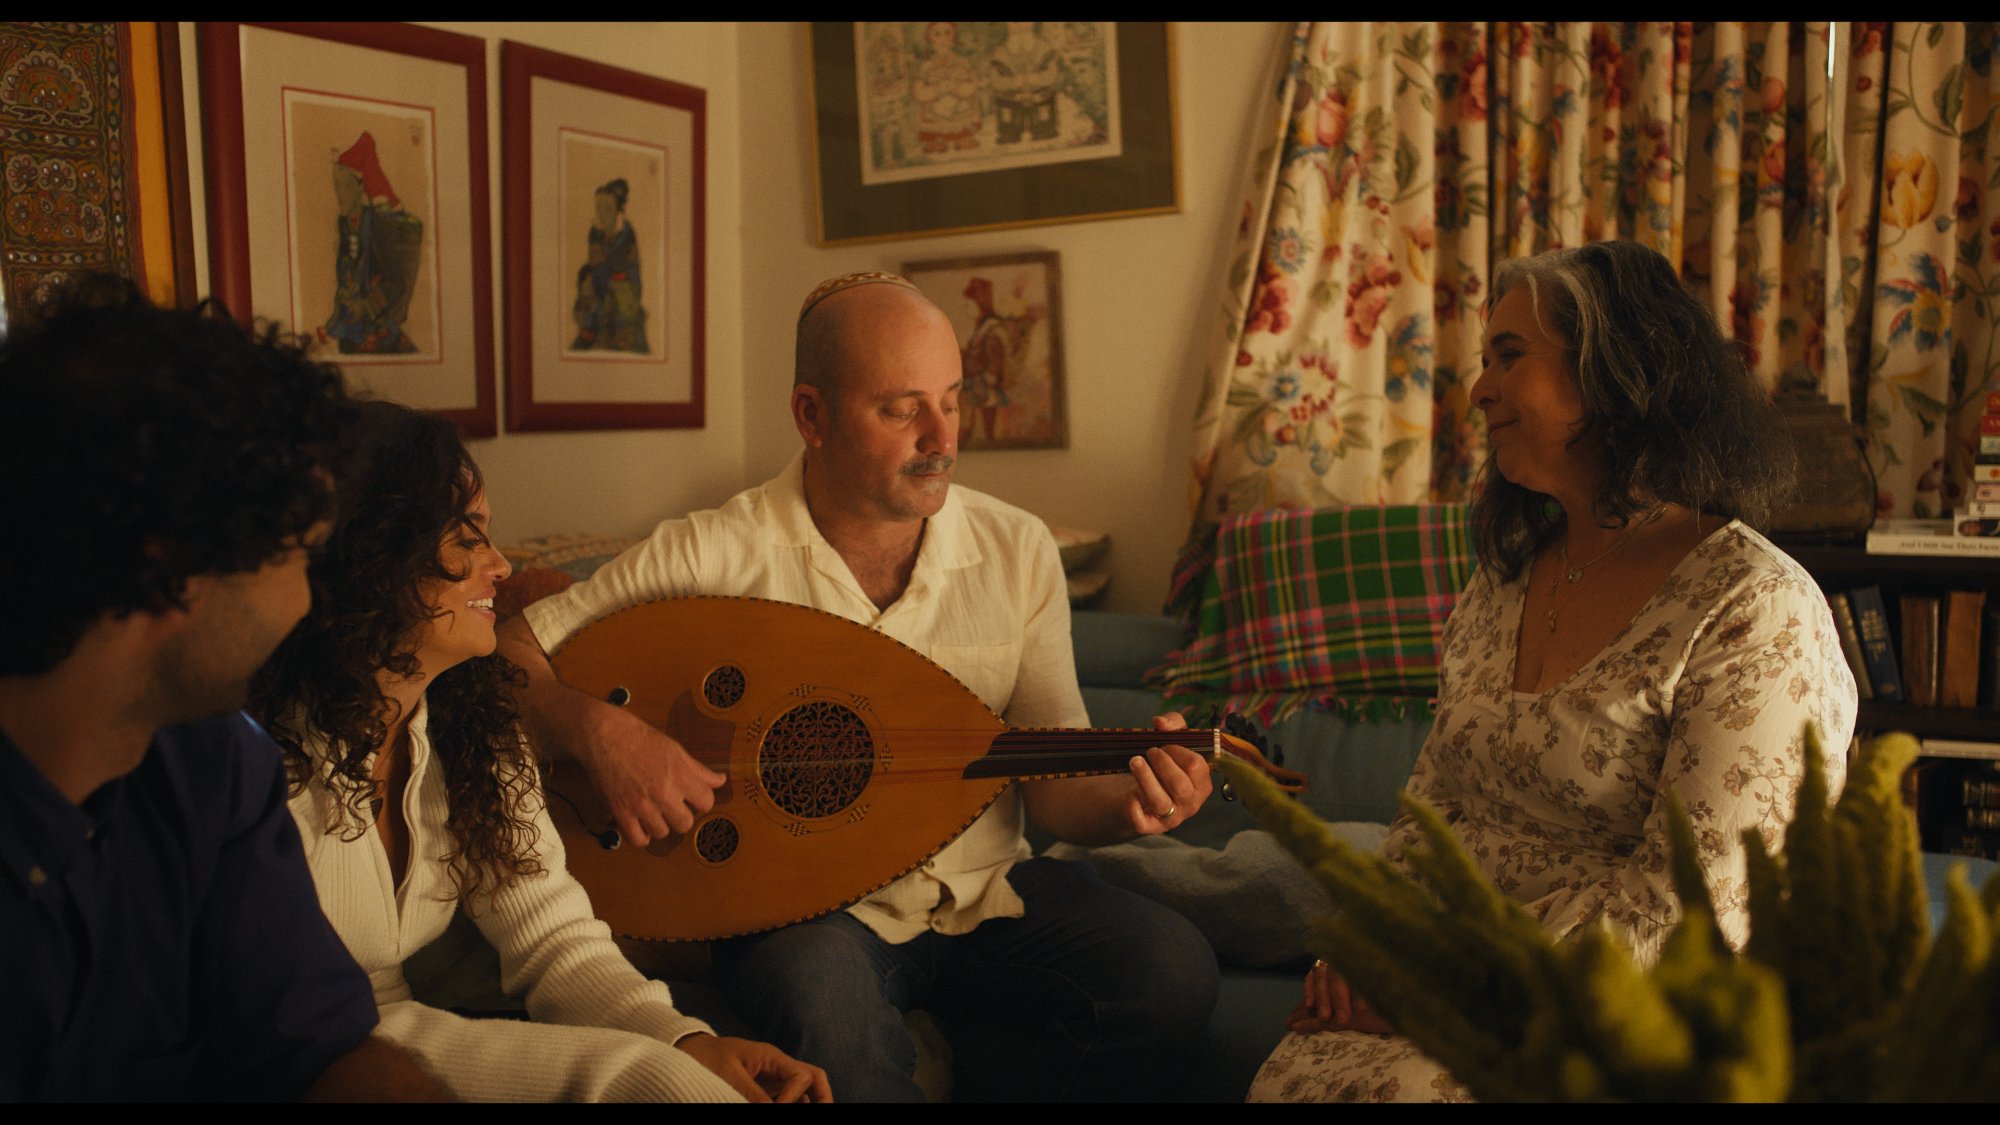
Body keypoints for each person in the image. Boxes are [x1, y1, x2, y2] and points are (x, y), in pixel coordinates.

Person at [495, 271, 1220, 1102]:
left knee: (1172, 970)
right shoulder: (712, 553)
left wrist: (1132, 804)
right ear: (812, 415)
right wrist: (601, 734)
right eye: (901, 408)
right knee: (829, 1018)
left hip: (987, 896)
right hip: (808, 917)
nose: (942, 437)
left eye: (952, 399)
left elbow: (1053, 792)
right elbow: (506, 651)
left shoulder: (1017, 549)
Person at [1248, 240, 1860, 1102]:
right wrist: (1372, 943)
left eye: (1509, 356)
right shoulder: (1504, 580)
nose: (1480, 387)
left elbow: (1699, 909)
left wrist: (1448, 990)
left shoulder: (1753, 609)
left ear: (1613, 372)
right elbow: (1437, 807)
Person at [249, 400, 831, 1103]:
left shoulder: (473, 722)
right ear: (373, 556)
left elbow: (554, 937)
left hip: (395, 1030)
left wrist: (686, 1040)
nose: (499, 565)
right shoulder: (260, 751)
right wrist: (656, 1067)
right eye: (466, 540)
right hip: (303, 1052)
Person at [0, 273, 447, 1101]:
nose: (309, 601)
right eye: (297, 558)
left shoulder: (217, 766)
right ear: (171, 572)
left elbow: (321, 1049)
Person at [571, 177, 649, 353]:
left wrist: (607, 268)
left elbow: (627, 270)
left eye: (607, 209)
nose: (601, 213)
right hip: (601, 282)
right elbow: (593, 263)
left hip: (625, 286)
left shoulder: (626, 234)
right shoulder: (595, 232)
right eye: (598, 207)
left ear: (617, 210)